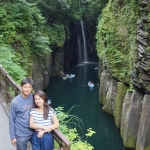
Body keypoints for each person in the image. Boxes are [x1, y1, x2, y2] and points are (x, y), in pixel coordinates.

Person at [9, 77, 34, 150]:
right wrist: (12, 137)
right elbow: (11, 120)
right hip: (21, 134)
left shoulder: (34, 98)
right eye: (25, 87)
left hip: (33, 131)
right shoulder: (15, 102)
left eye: (29, 87)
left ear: (31, 88)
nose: (27, 89)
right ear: (21, 87)